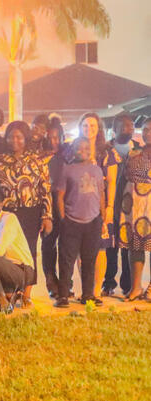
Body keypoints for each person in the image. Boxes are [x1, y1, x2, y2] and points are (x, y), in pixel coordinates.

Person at [0, 120, 53, 306]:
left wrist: (47, 215)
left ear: (25, 138)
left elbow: (45, 189)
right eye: (10, 136)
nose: (14, 140)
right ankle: (10, 291)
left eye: (19, 136)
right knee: (8, 251)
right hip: (7, 213)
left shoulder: (37, 159)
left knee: (29, 252)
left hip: (31, 212)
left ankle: (26, 294)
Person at [53, 137, 105, 308]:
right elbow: (59, 195)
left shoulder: (97, 170)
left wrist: (102, 217)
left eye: (86, 147)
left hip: (93, 221)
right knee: (66, 260)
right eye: (78, 148)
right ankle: (63, 295)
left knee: (89, 260)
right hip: (72, 221)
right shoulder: (67, 170)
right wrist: (63, 219)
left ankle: (88, 294)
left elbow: (101, 194)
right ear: (72, 150)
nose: (83, 150)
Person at [75, 112, 121, 298]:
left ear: (99, 128)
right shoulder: (74, 150)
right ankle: (86, 290)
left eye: (92, 126)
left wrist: (110, 208)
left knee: (100, 248)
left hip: (101, 208)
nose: (89, 129)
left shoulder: (107, 152)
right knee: (80, 248)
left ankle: (96, 290)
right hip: (78, 208)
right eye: (85, 126)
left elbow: (112, 182)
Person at [103, 113, 141, 297]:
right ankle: (108, 283)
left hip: (131, 207)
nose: (130, 129)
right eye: (125, 126)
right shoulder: (106, 150)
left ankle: (127, 285)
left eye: (132, 126)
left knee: (127, 247)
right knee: (110, 247)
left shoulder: (139, 150)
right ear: (115, 129)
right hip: (111, 206)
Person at [118, 117, 151, 301]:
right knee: (135, 245)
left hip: (150, 205)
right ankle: (136, 287)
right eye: (145, 129)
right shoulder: (133, 152)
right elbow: (124, 176)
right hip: (133, 205)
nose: (147, 133)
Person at [40, 120, 68, 297]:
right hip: (46, 205)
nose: (54, 141)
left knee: (66, 245)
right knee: (48, 243)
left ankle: (66, 283)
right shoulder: (41, 156)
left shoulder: (68, 155)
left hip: (65, 203)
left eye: (57, 137)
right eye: (50, 137)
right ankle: (51, 279)